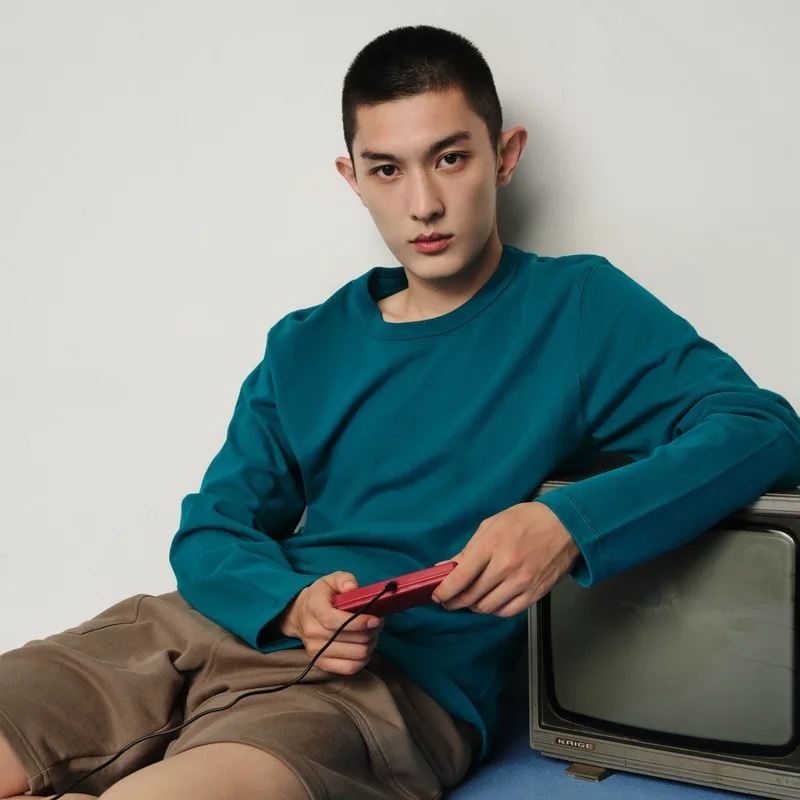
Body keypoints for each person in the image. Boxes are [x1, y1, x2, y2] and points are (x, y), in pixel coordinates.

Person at [2, 23, 799, 800]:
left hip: (384, 689)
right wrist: (290, 603)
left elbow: (763, 427)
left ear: (505, 155)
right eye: (387, 170)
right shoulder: (304, 343)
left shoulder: (580, 308)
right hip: (192, 629)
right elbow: (213, 527)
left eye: (450, 158)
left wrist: (567, 525)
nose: (423, 204)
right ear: (353, 178)